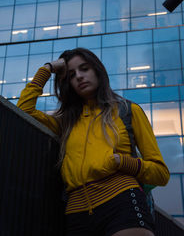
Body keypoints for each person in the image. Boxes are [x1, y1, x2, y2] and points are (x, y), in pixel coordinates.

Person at [17, 47, 170, 236]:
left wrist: (123, 162)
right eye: (72, 75)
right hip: (76, 211)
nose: (79, 76)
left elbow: (161, 174)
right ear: (68, 83)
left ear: (98, 71)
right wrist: (46, 69)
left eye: (84, 68)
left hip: (121, 201)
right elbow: (24, 110)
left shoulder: (127, 110)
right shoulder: (66, 122)